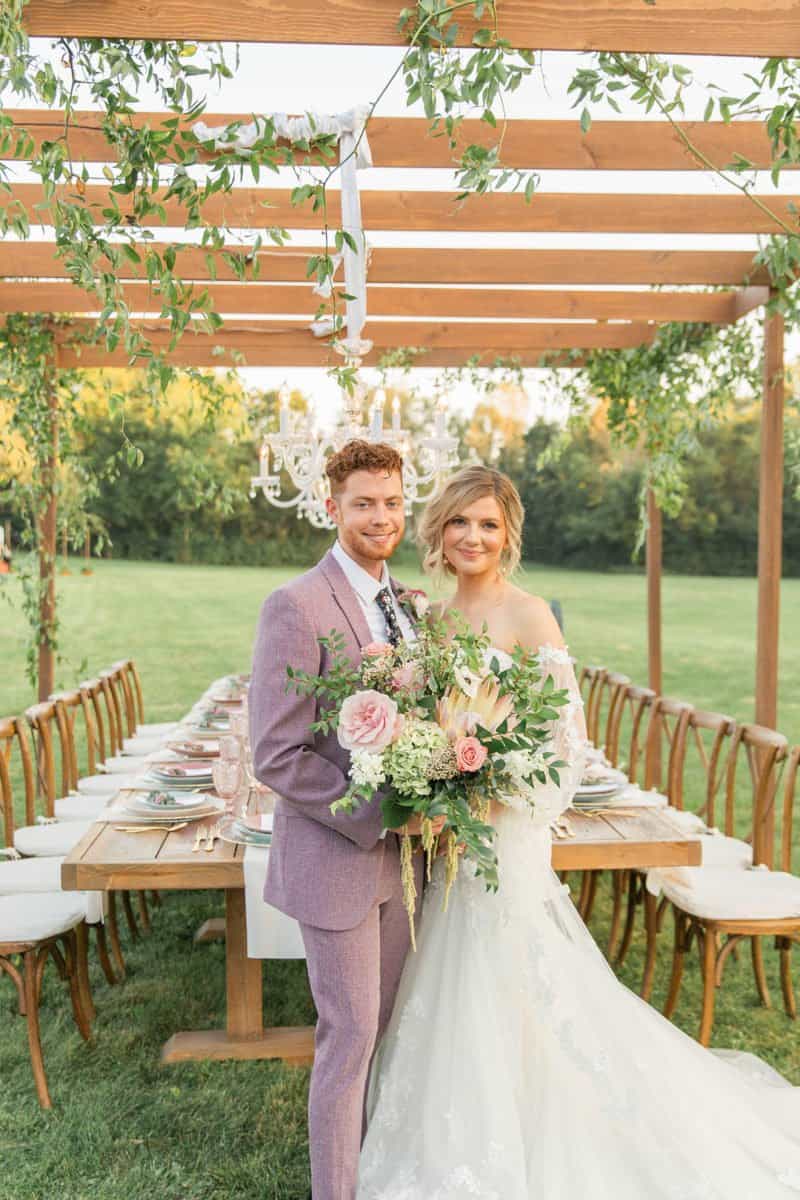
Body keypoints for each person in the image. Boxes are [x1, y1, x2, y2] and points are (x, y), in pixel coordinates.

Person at [357, 463, 800, 1199]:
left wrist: (490, 793)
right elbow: (420, 724)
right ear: (439, 529)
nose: (473, 535)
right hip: (449, 849)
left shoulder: (530, 616)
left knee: (519, 984)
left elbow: (565, 750)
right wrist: (431, 783)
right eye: (461, 520)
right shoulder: (428, 622)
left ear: (508, 535)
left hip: (504, 842)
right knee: (452, 986)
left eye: (489, 523)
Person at [249, 440, 443, 1200]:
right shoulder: (295, 605)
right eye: (363, 503)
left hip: (408, 865)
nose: (381, 517)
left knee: (389, 1025)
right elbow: (276, 752)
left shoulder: (410, 606)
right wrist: (376, 813)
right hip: (337, 860)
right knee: (351, 1034)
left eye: (392, 503)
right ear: (331, 508)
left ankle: (378, 1173)